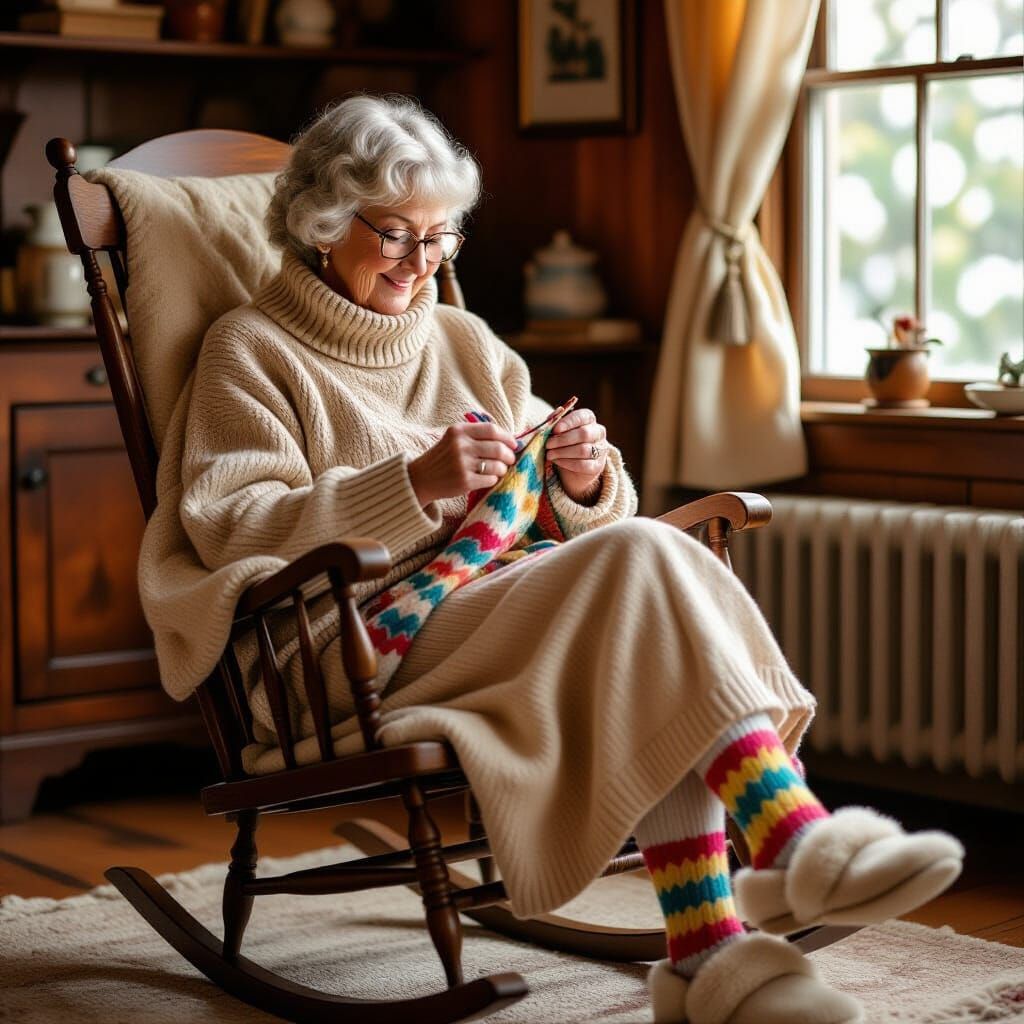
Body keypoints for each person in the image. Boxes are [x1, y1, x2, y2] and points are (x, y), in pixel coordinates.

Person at [144, 94, 963, 1024]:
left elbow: (584, 513)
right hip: (346, 643)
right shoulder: (249, 351)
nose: (422, 263)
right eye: (396, 235)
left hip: (489, 604)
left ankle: (711, 957)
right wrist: (410, 486)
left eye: (439, 238)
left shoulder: (461, 340)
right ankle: (787, 838)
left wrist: (580, 477)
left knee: (643, 596)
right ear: (322, 226)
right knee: (640, 566)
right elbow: (232, 523)